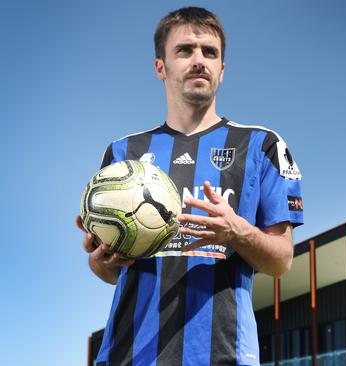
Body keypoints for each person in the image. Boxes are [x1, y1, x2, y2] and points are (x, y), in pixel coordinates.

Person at [75, 7, 303, 366]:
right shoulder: (124, 155)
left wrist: (236, 231)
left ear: (222, 71)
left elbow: (281, 261)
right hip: (129, 355)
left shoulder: (262, 146)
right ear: (160, 67)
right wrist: (101, 259)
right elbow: (109, 273)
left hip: (223, 354)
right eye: (185, 50)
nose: (199, 60)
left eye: (209, 52)